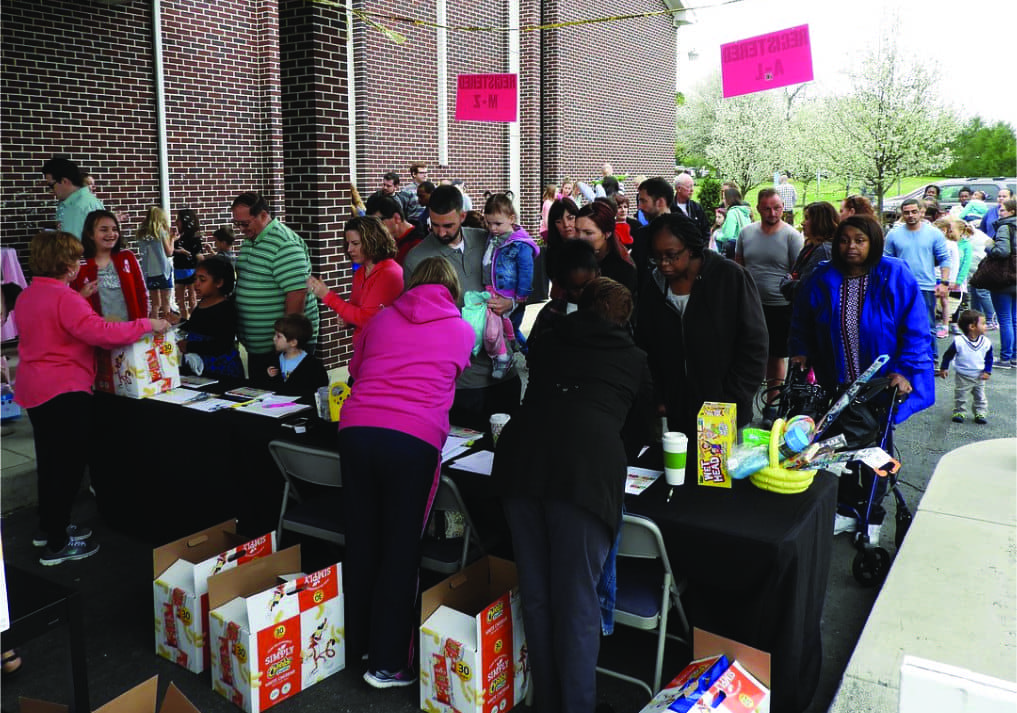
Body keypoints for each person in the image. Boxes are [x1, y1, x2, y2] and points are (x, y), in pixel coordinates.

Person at [491, 277, 652, 713]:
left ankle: (547, 701)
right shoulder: (634, 359)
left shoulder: (549, 339)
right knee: (577, 602)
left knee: (539, 594)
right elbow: (642, 429)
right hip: (582, 475)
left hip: (520, 463)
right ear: (625, 319)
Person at [338, 256, 474, 688]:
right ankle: (388, 662)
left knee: (362, 539)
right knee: (401, 549)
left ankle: (355, 643)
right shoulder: (460, 329)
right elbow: (456, 373)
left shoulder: (380, 321)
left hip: (357, 430)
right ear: (452, 290)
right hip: (412, 441)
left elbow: (357, 372)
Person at [15, 231, 170, 565]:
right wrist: (147, 323)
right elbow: (100, 332)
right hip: (64, 390)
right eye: (74, 257)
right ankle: (57, 543)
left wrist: (79, 298)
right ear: (64, 262)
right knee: (67, 468)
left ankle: (49, 526)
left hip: (34, 388)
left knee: (50, 463)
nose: (78, 263)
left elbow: (55, 325)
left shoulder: (30, 295)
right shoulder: (64, 298)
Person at [790, 215, 934, 544]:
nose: (850, 247)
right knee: (835, 447)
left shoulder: (893, 273)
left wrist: (905, 371)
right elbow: (802, 319)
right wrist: (800, 350)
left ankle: (872, 515)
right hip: (835, 380)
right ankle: (843, 509)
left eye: (859, 240)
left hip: (879, 383)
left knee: (875, 448)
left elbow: (915, 328)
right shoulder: (824, 276)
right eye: (844, 240)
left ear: (873, 242)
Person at [635, 213, 768, 442]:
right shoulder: (654, 287)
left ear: (691, 248)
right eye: (657, 257)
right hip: (678, 412)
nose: (664, 263)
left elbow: (754, 344)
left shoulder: (730, 277)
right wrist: (659, 395)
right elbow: (645, 345)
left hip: (726, 412)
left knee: (720, 476)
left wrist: (730, 400)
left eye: (671, 255)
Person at [403, 184, 522, 430]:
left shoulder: (487, 240)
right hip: (462, 381)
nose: (441, 232)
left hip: (504, 370)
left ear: (462, 216)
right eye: (434, 225)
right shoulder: (417, 259)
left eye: (448, 225)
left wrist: (511, 301)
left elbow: (519, 280)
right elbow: (416, 321)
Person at [231, 192, 318, 386]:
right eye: (237, 224)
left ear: (263, 215)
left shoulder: (284, 244)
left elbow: (296, 294)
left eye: (245, 223)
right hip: (261, 347)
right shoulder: (251, 240)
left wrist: (286, 341)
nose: (241, 230)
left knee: (284, 402)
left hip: (282, 347)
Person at [736, 188, 805, 426]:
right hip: (750, 304)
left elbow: (798, 273)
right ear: (758, 209)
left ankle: (772, 405)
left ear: (783, 208)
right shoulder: (746, 233)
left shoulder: (792, 236)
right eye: (767, 208)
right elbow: (739, 266)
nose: (772, 213)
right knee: (747, 353)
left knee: (776, 355)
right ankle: (742, 401)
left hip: (780, 305)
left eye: (777, 208)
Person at [307, 215, 403, 356]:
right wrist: (348, 320)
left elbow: (367, 319)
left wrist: (327, 296)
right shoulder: (361, 273)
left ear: (372, 241)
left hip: (383, 355)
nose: (349, 249)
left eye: (355, 243)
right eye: (348, 244)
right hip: (364, 353)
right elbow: (356, 310)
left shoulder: (389, 273)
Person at [884, 198, 951, 371]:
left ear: (921, 212)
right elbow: (886, 260)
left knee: (927, 324)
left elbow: (944, 258)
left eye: (914, 211)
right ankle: (903, 358)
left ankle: (932, 358)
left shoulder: (933, 233)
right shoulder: (894, 234)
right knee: (899, 323)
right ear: (902, 213)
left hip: (925, 286)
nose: (910, 215)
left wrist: (944, 283)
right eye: (906, 212)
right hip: (899, 287)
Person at [481, 192, 539, 370]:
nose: (492, 228)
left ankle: (528, 353)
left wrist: (521, 294)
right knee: (499, 326)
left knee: (511, 327)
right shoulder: (494, 237)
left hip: (511, 294)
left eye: (497, 223)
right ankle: (503, 355)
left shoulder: (519, 243)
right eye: (488, 223)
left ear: (511, 218)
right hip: (494, 290)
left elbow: (526, 270)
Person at [70, 210, 148, 322]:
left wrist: (142, 325)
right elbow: (70, 304)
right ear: (90, 234)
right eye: (104, 230)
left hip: (132, 332)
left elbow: (142, 294)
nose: (111, 234)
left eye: (114, 229)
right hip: (98, 335)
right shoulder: (79, 267)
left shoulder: (127, 258)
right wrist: (81, 296)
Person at [178, 257, 243, 379]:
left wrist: (189, 346)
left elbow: (222, 344)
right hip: (198, 364)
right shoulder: (203, 302)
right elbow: (198, 326)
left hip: (219, 368)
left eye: (202, 280)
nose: (196, 284)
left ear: (219, 283)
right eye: (195, 279)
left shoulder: (226, 309)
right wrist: (179, 322)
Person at [529, 239, 600, 347]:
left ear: (598, 275)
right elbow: (534, 347)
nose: (582, 292)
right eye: (575, 288)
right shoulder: (551, 312)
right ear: (563, 285)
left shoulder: (609, 309)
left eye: (587, 285)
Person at [937, 309, 992, 424]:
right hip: (963, 375)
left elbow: (989, 358)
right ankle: (959, 411)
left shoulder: (986, 342)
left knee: (980, 396)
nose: (985, 326)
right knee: (961, 395)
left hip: (979, 375)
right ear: (972, 326)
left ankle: (980, 412)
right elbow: (948, 355)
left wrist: (988, 371)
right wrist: (944, 368)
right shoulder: (959, 341)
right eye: (982, 323)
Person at [780, 201, 839, 305]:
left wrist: (786, 283)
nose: (803, 223)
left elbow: (805, 289)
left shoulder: (823, 251)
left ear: (819, 222)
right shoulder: (811, 246)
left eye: (807, 218)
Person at [575, 201, 636, 296]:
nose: (580, 237)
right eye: (577, 231)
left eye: (588, 233)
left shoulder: (623, 268)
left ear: (607, 233)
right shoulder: (574, 259)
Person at [265, 313, 329, 397]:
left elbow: (319, 390)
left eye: (278, 336)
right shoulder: (273, 360)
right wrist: (270, 376)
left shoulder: (313, 365)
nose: (274, 338)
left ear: (293, 342)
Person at [42, 157, 104, 238]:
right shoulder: (68, 203)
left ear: (64, 181)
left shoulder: (81, 206)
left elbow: (76, 247)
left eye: (51, 185)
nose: (51, 190)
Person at [987, 198, 1017, 368]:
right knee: (1014, 319)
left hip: (1004, 277)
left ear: (1012, 212)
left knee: (1005, 318)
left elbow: (1002, 251)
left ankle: (1005, 358)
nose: (1000, 212)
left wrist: (988, 246)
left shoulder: (1005, 227)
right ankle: (1014, 356)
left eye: (1003, 210)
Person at [630, 177, 674, 290]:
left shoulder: (684, 233)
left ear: (660, 202)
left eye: (644, 201)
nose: (640, 207)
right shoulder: (640, 235)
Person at [136, 206, 174, 320]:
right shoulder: (160, 232)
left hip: (150, 273)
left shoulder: (142, 234)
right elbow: (169, 252)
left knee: (155, 305)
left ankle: (153, 329)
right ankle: (166, 329)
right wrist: (172, 239)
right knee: (166, 304)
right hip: (163, 271)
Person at [365, 194, 425, 265]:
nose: (375, 228)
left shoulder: (418, 246)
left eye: (378, 222)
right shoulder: (387, 242)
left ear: (396, 218)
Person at [543, 197, 580, 298]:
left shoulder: (588, 246)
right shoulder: (553, 253)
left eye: (570, 218)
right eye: (559, 221)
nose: (566, 225)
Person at [173, 209, 203, 320]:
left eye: (178, 220)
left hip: (191, 269)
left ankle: (194, 320)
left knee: (192, 297)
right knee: (180, 298)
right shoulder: (177, 236)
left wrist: (187, 253)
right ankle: (184, 319)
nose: (176, 222)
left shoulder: (194, 237)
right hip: (179, 269)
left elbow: (198, 254)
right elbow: (171, 251)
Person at [670, 173, 710, 242]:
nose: (692, 190)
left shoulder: (696, 208)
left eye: (693, 186)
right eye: (689, 187)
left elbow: (706, 230)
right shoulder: (669, 208)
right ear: (679, 188)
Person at [716, 187, 751, 258]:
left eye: (724, 198)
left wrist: (717, 237)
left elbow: (728, 235)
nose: (723, 201)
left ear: (729, 199)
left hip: (734, 251)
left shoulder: (732, 213)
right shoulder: (744, 212)